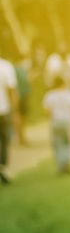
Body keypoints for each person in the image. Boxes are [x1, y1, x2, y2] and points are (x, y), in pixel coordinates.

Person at [42, 76, 70, 174]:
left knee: (58, 144)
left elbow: (47, 110)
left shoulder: (50, 95)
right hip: (68, 121)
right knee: (68, 143)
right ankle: (68, 161)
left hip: (56, 121)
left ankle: (60, 164)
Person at [0, 52, 17, 184]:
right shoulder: (5, 67)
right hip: (3, 110)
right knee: (5, 141)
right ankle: (4, 167)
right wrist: (14, 110)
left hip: (4, 109)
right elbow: (11, 90)